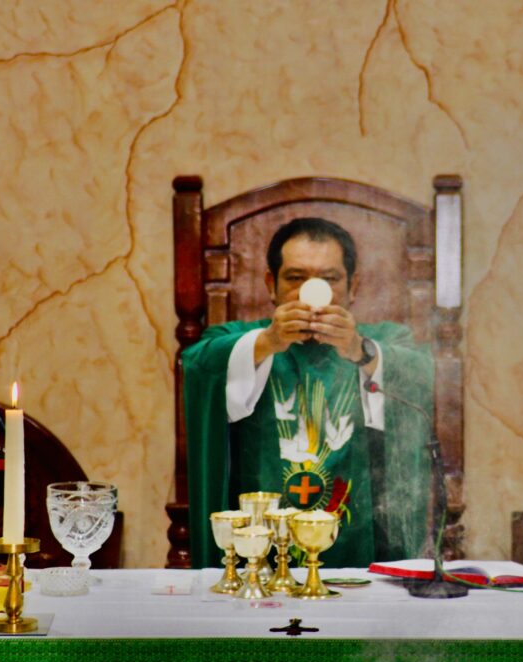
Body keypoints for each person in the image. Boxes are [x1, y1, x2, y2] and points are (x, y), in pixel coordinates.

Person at [182, 217, 434, 569]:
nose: (310, 293)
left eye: (329, 278)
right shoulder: (245, 339)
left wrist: (360, 350)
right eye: (295, 278)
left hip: (360, 548)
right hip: (258, 555)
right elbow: (199, 363)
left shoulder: (381, 341)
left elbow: (418, 374)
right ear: (271, 284)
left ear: (353, 286)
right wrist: (268, 341)